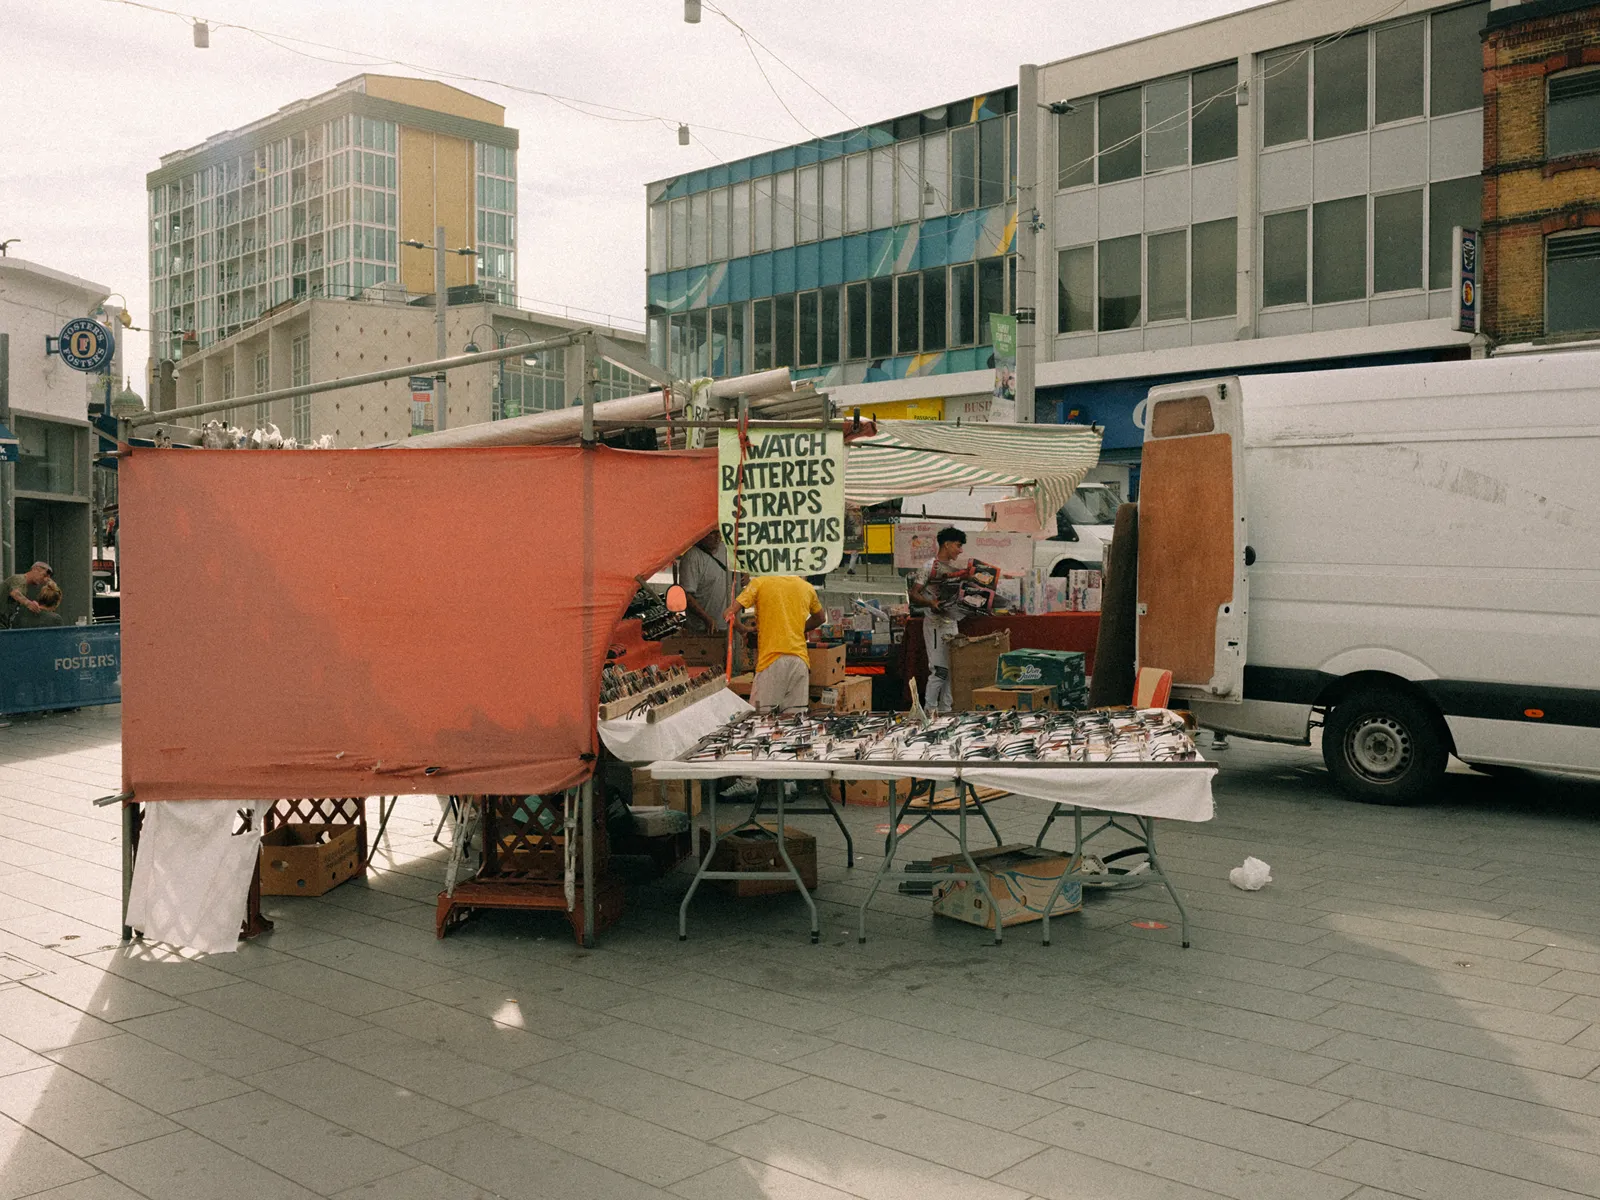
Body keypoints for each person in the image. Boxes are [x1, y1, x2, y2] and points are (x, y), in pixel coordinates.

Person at [724, 574, 823, 713]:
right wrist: (796, 629)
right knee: (793, 723)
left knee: (761, 720)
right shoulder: (806, 587)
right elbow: (820, 618)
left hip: (771, 662)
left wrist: (743, 630)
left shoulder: (759, 583)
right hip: (799, 661)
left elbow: (729, 614)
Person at [907, 528, 968, 713]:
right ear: (947, 544)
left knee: (952, 669)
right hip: (935, 625)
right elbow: (914, 593)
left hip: (952, 622)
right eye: (958, 546)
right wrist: (930, 602)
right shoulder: (928, 567)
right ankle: (930, 710)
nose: (960, 550)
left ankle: (946, 709)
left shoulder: (957, 570)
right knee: (940, 670)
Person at [677, 529, 730, 634]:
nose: (717, 537)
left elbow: (739, 573)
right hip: (703, 629)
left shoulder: (726, 550)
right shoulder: (691, 558)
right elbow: (686, 595)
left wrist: (744, 576)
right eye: (712, 533)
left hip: (728, 624)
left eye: (718, 532)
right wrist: (706, 619)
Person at [1, 562, 52, 629]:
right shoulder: (19, 579)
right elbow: (15, 593)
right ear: (35, 569)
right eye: (44, 575)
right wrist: (29, 603)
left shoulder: (23, 587)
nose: (45, 580)